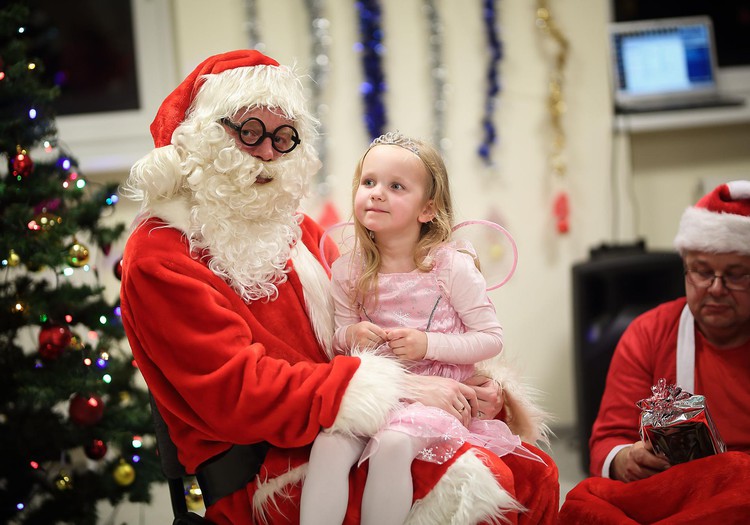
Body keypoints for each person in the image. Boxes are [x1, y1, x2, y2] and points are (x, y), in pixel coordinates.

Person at [120, 49, 559, 525]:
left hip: (341, 425)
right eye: (249, 133)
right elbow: (239, 394)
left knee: (535, 471)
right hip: (259, 467)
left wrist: (467, 385)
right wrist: (401, 389)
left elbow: (373, 325)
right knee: (477, 480)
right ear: (203, 135)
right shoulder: (161, 256)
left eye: (284, 138)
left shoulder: (292, 227)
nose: (268, 152)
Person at [300, 133, 542, 525]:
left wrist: (427, 344)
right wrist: (352, 335)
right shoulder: (348, 271)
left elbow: (490, 338)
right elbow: (338, 338)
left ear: (427, 209)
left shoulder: (449, 267)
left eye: (396, 186)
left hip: (436, 397)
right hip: (381, 393)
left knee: (393, 445)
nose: (377, 193)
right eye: (369, 182)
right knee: (329, 444)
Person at [559, 180, 750, 524]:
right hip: (677, 493)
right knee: (583, 502)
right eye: (703, 272)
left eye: (736, 276)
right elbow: (606, 443)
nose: (716, 289)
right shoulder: (648, 333)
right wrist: (625, 460)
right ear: (686, 268)